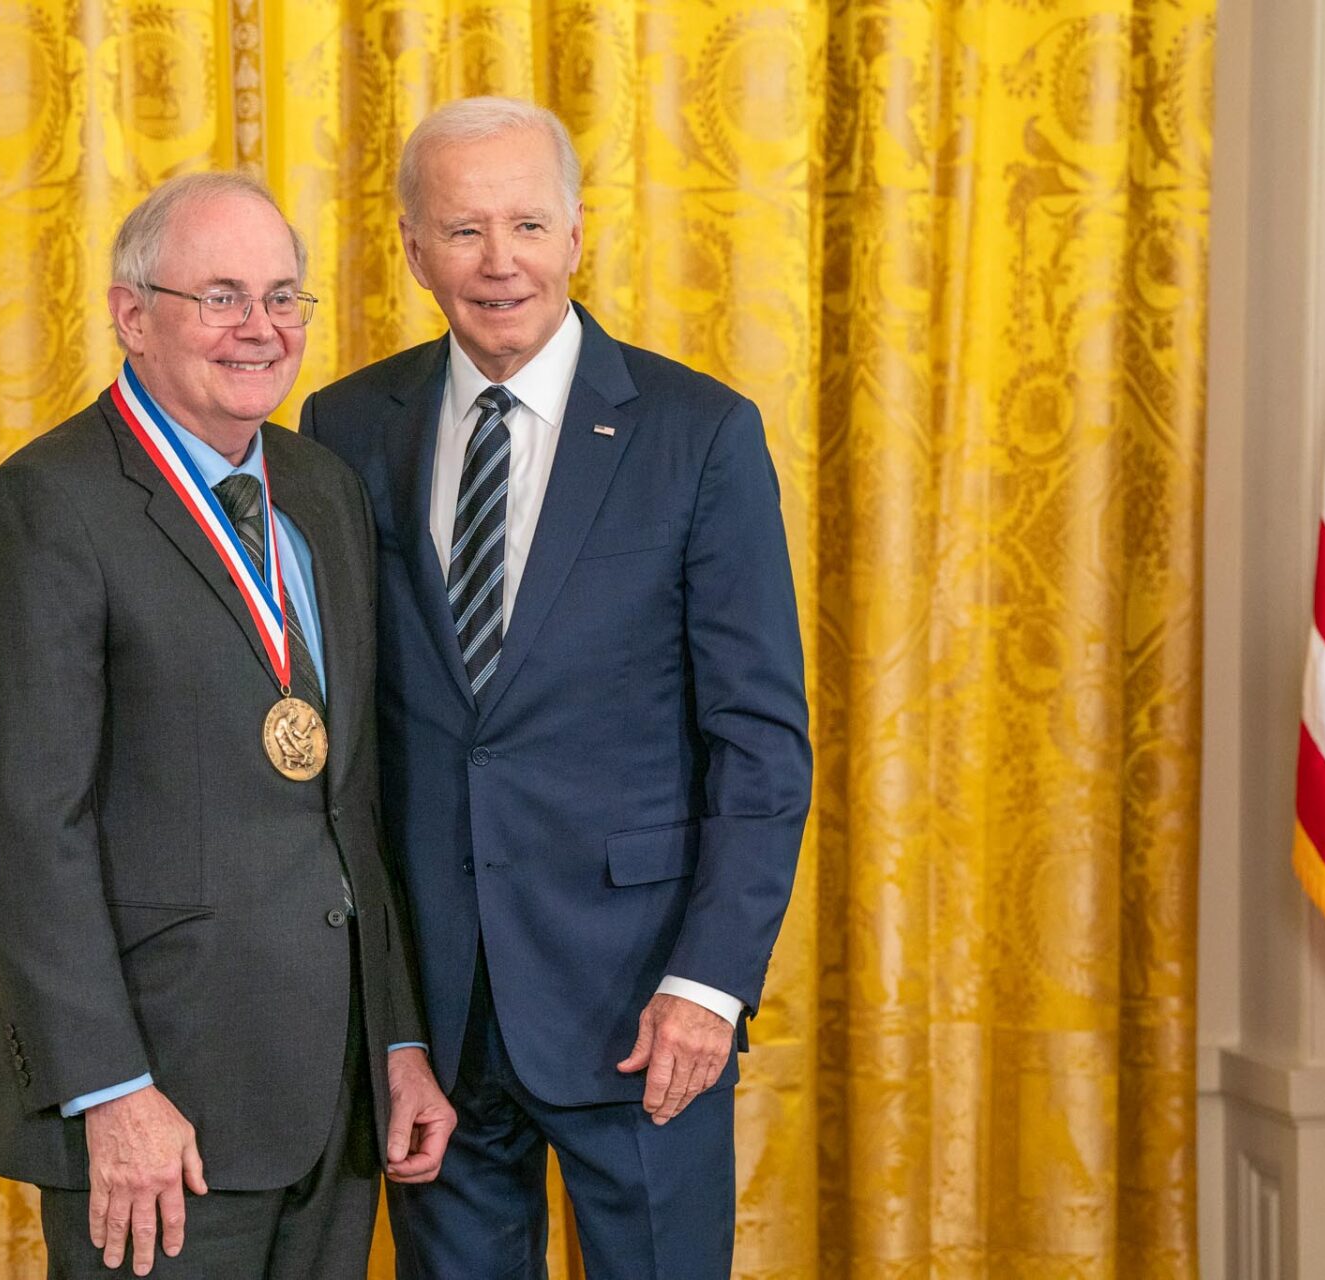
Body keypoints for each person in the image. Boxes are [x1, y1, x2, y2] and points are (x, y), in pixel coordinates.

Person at [301, 98, 812, 1277]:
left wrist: (709, 984)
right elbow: (355, 744)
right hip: (437, 1017)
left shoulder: (699, 434)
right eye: (464, 229)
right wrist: (388, 1016)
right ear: (412, 245)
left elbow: (760, 741)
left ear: (578, 234)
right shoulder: (342, 428)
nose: (499, 261)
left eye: (527, 223)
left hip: (642, 1010)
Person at [0, 171, 454, 1279]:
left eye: (283, 296)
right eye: (221, 296)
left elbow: (349, 796)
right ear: (135, 315)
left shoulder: (320, 488)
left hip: (333, 1094)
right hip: (157, 1106)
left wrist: (396, 1038)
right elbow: (26, 828)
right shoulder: (44, 506)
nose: (261, 328)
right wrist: (112, 1090)